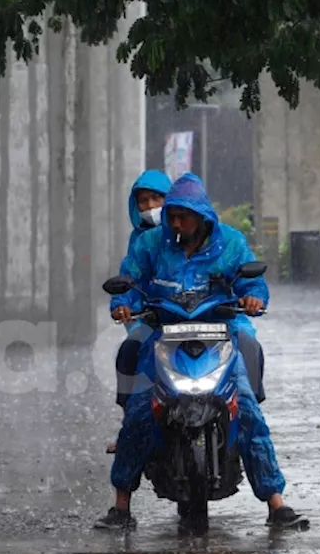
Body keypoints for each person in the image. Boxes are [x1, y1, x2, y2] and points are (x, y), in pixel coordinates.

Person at [95, 173, 305, 530]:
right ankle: (121, 505)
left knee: (248, 410)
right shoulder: (150, 245)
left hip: (220, 334)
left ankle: (276, 503)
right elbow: (129, 282)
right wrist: (123, 304)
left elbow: (251, 281)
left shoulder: (232, 245)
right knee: (139, 413)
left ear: (202, 215)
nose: (174, 223)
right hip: (164, 336)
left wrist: (253, 297)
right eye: (172, 216)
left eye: (183, 216)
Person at [107, 171, 173, 454]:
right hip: (153, 316)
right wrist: (122, 304)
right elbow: (130, 279)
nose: (149, 207)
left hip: (195, 316)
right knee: (130, 353)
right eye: (143, 201)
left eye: (156, 198)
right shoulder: (139, 242)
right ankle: (130, 427)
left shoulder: (204, 234)